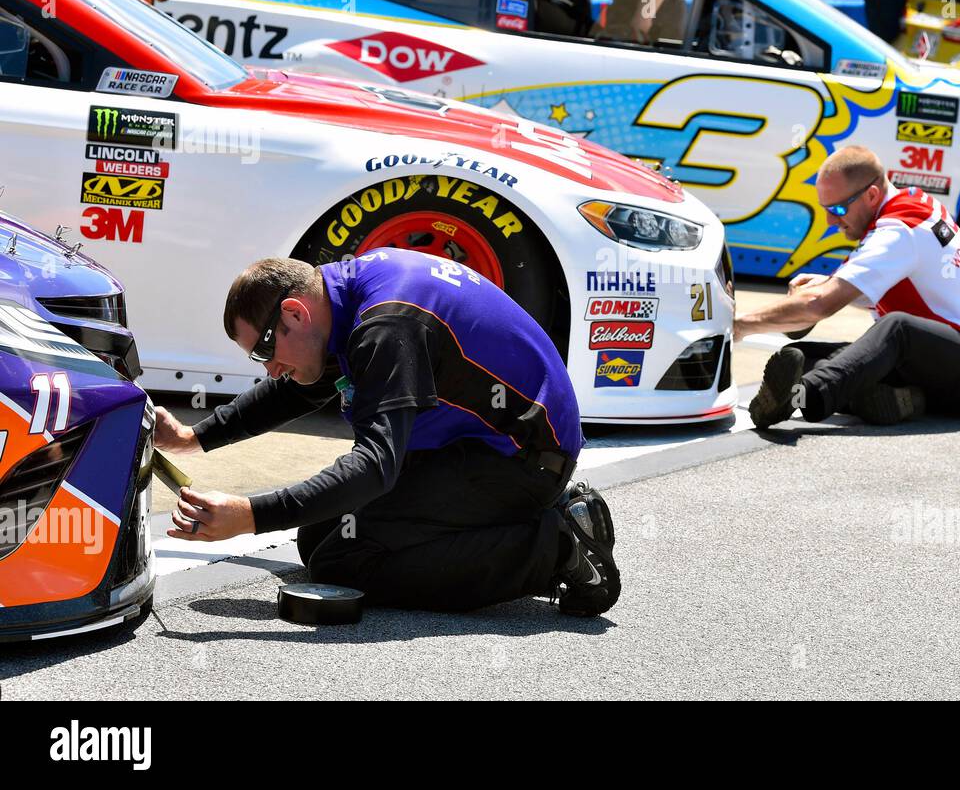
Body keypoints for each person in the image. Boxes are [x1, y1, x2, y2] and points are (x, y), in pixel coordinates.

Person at [153, 251, 621, 617]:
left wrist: (249, 516)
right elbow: (299, 387)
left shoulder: (386, 323)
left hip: (526, 458)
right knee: (320, 536)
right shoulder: (343, 294)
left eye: (266, 351)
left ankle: (556, 547)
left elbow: (376, 465)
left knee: (344, 562)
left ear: (295, 313)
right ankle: (528, 519)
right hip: (492, 441)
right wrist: (192, 438)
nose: (271, 368)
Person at [736, 146, 960, 430]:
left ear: (872, 195)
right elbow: (876, 281)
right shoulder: (908, 203)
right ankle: (903, 400)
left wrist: (738, 325)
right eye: (825, 210)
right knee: (803, 356)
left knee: (896, 329)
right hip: (932, 365)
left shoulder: (898, 230)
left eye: (838, 209)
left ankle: (805, 396)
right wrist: (827, 283)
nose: (830, 221)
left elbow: (819, 305)